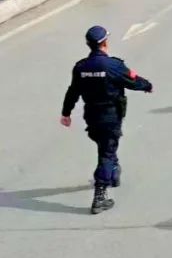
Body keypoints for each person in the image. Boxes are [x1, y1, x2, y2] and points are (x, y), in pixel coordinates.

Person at [60, 26, 153, 214]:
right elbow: (132, 80)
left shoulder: (81, 67)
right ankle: (100, 195)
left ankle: (113, 171)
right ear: (105, 43)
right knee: (106, 153)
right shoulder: (113, 65)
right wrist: (147, 86)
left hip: (91, 116)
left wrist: (66, 113)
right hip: (110, 116)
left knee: (105, 146)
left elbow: (73, 91)